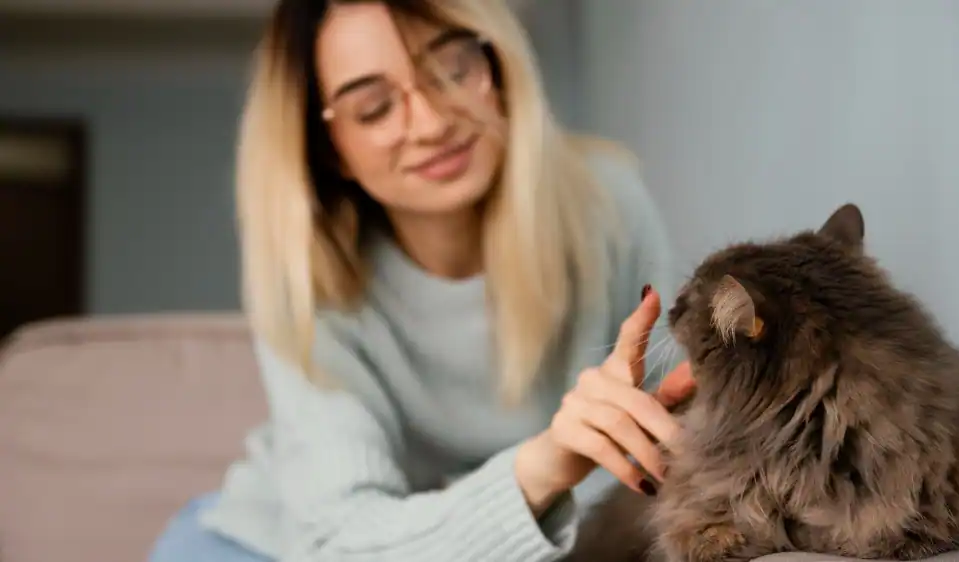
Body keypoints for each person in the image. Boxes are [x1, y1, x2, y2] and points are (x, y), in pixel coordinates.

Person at [147, 0, 694, 561]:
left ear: (497, 68)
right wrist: (540, 468)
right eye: (374, 108)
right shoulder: (310, 281)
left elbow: (659, 465)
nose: (431, 124)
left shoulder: (608, 208)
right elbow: (340, 540)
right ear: (328, 148)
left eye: (453, 71)